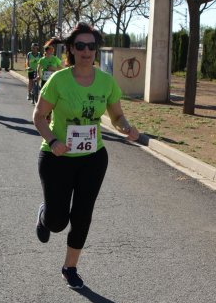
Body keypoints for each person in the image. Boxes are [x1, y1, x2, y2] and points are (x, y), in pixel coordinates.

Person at [32, 22, 139, 289]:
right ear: (71, 48)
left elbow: (116, 115)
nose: (86, 50)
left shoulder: (106, 82)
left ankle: (70, 267)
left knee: (82, 214)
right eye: (80, 45)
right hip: (57, 157)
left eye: (92, 46)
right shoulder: (59, 80)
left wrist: (125, 127)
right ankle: (46, 214)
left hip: (93, 158)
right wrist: (53, 139)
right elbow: (39, 116)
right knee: (58, 222)